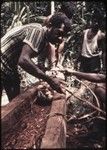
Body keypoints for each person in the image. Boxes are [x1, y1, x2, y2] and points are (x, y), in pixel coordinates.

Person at [1, 12, 71, 102]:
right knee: (15, 98)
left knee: (16, 98)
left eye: (63, 36)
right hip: (3, 63)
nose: (60, 38)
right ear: (50, 26)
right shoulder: (37, 31)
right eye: (59, 33)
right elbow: (23, 60)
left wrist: (47, 72)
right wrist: (50, 80)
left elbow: (29, 62)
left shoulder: (44, 40)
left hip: (9, 67)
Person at [41, 2, 74, 68]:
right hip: (50, 36)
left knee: (56, 43)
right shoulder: (57, 17)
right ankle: (53, 64)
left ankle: (55, 63)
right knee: (52, 44)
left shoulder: (61, 18)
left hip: (52, 35)